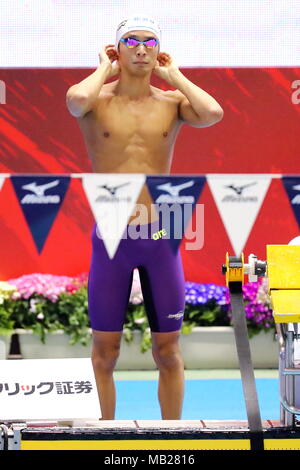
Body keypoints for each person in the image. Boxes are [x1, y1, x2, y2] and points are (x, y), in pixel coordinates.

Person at [66, 15, 223, 420]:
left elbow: (213, 113)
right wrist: (104, 67)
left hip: (161, 231)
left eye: (149, 41)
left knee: (168, 351)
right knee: (105, 352)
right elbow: (75, 102)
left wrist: (175, 74)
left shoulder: (171, 103)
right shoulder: (95, 100)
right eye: (131, 41)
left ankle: (171, 438)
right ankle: (106, 437)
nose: (141, 48)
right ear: (116, 49)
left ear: (159, 50)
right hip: (112, 230)